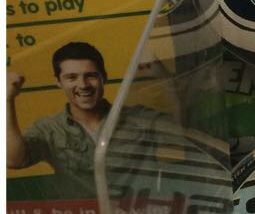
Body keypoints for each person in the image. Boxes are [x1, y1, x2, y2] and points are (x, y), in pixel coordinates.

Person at [7, 42, 171, 198]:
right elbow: (14, 160)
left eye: (91, 76)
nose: (83, 85)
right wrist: (7, 100)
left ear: (104, 77)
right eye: (72, 77)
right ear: (58, 82)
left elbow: (182, 129)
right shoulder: (50, 128)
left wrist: (163, 76)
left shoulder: (139, 118)